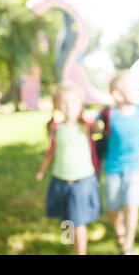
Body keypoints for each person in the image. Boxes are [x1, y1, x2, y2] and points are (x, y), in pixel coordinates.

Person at [36, 82, 101, 255]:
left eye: (73, 102)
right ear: (57, 105)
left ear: (81, 104)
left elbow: (101, 126)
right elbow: (51, 152)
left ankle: (81, 252)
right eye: (64, 102)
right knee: (67, 220)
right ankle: (73, 244)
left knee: (78, 221)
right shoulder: (57, 128)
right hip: (61, 180)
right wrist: (42, 171)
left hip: (82, 181)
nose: (69, 107)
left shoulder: (86, 126)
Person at [98, 70, 139, 255]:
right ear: (118, 95)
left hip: (136, 167)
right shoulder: (107, 114)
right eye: (135, 89)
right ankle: (120, 232)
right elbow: (95, 130)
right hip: (112, 169)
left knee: (131, 205)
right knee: (113, 208)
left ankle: (128, 244)